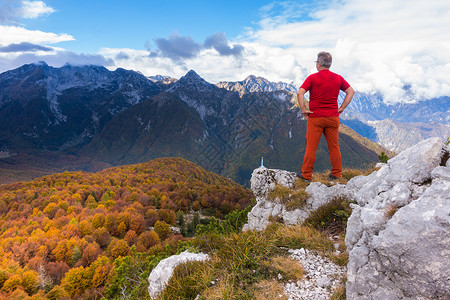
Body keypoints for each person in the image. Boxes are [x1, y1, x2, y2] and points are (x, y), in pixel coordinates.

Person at [297, 51, 355, 181]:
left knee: (311, 148)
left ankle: (306, 175)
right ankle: (336, 173)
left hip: (316, 118)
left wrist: (303, 109)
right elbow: (351, 92)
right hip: (333, 118)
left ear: (318, 64)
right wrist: (342, 108)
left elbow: (300, 93)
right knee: (334, 147)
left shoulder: (312, 78)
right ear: (329, 64)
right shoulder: (338, 78)